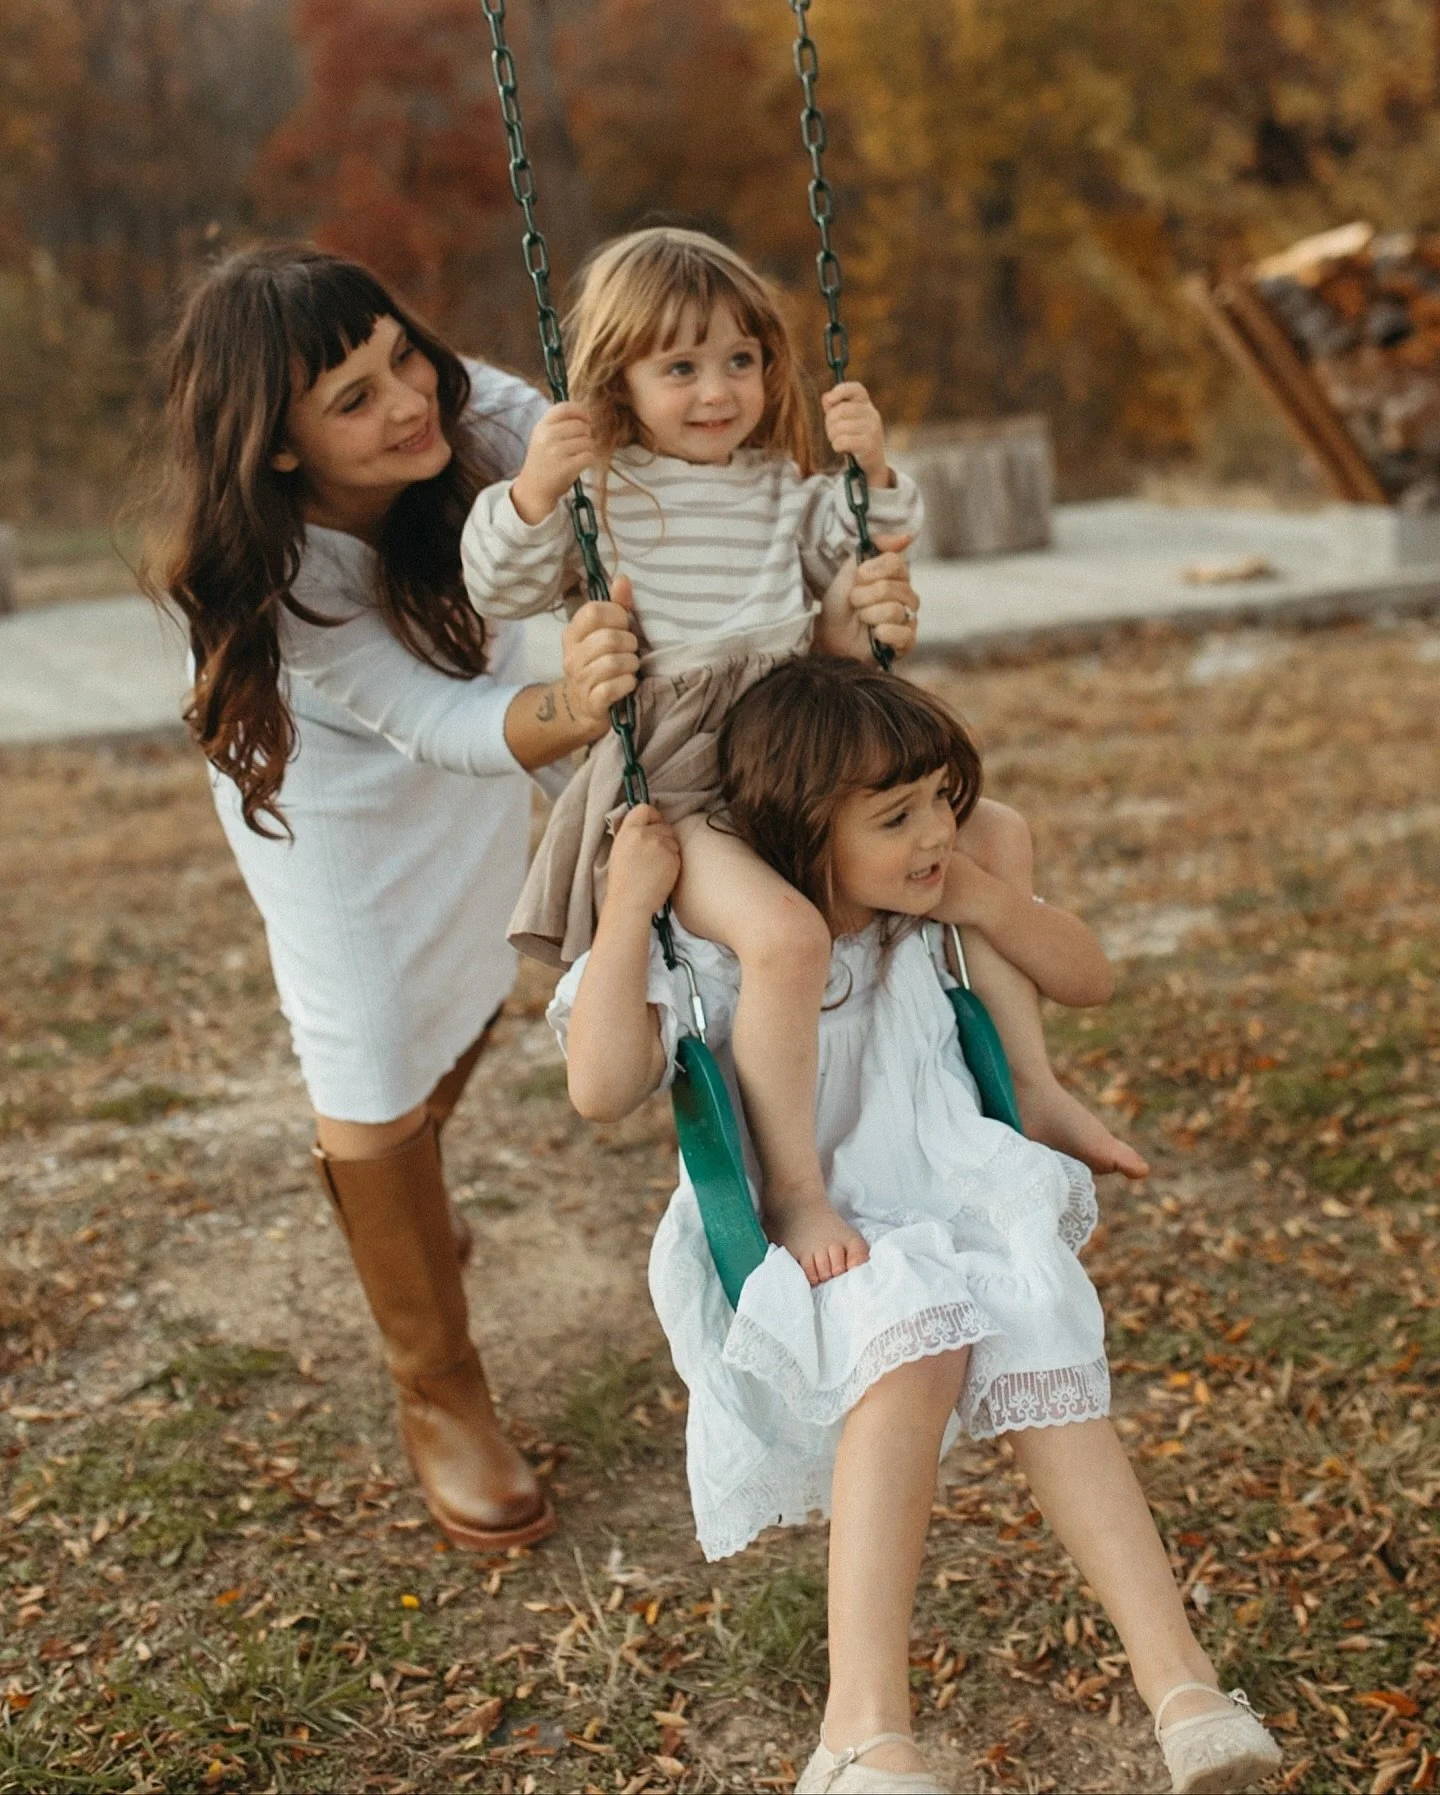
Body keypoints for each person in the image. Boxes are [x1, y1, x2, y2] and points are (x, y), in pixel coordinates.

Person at [136, 244, 921, 1555]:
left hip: (522, 724)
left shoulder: (483, 412)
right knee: (373, 1043)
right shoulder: (278, 581)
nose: (407, 402)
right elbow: (430, 719)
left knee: (467, 988)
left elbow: (651, 438)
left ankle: (411, 1214)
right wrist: (581, 697)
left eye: (403, 354)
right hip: (354, 790)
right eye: (352, 398)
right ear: (277, 447)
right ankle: (436, 1383)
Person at [550, 656, 1282, 1795]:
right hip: (803, 1231)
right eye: (896, 817)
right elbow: (599, 1087)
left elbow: (1088, 977)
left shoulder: (922, 915)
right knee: (922, 1330)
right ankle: (860, 1732)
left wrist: (986, 895)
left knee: (1046, 1336)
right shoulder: (733, 945)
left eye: (942, 797)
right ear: (800, 832)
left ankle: (1184, 1688)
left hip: (943, 1196)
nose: (936, 831)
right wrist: (628, 902)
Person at [463, 225, 1144, 1298]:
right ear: (618, 379)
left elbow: (864, 534)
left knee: (996, 831)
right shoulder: (604, 493)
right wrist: (535, 491)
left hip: (792, 741)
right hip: (687, 781)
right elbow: (497, 584)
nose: (716, 389)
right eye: (679, 367)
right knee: (782, 933)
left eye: (741, 359)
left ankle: (1033, 1082)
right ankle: (795, 1184)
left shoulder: (775, 485)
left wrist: (870, 465)